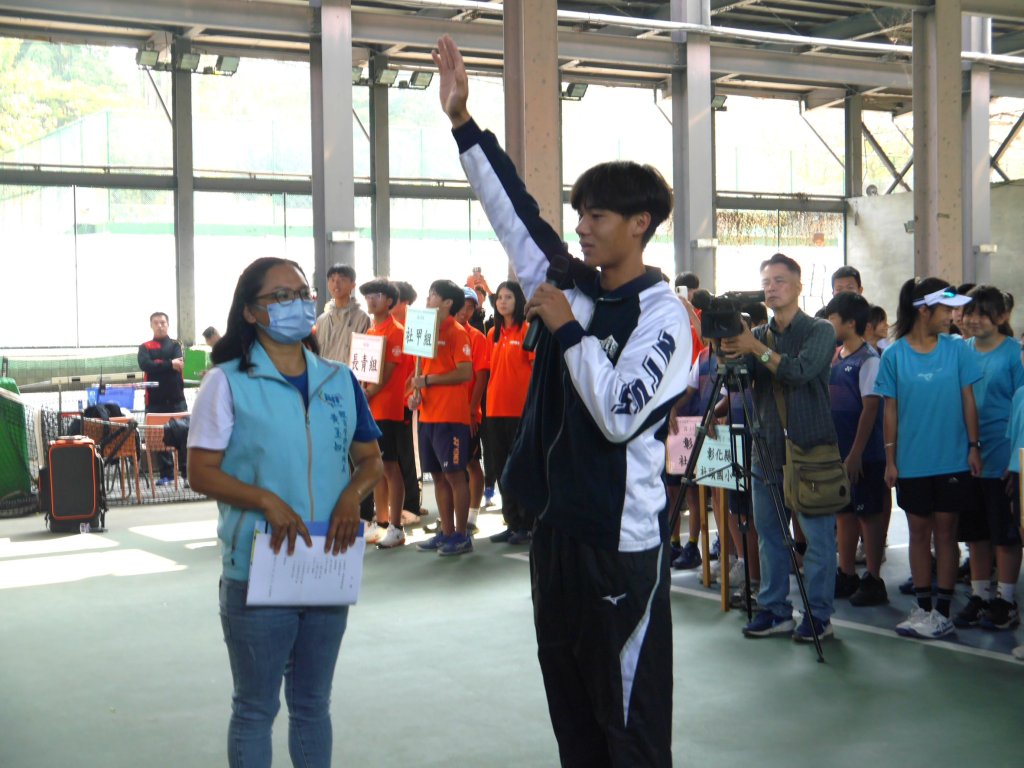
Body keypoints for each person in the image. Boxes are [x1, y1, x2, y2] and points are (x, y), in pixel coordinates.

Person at [435, 35, 688, 766]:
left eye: (597, 216)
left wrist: (569, 332)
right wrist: (462, 122)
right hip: (555, 536)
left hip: (619, 546)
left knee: (627, 727)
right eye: (579, 214)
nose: (581, 227)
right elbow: (512, 211)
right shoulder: (567, 285)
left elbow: (619, 414)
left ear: (639, 224)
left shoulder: (664, 317)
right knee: (573, 718)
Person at [186, 256, 383, 768]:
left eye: (301, 293)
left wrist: (351, 496)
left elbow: (371, 460)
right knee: (255, 709)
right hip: (260, 565)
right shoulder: (226, 382)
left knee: (313, 705)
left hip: (327, 559)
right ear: (251, 312)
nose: (297, 303)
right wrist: (265, 500)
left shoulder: (338, 379)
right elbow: (200, 472)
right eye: (280, 296)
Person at [719, 252, 841, 642]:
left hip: (811, 449)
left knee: (818, 539)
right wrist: (730, 353)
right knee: (770, 535)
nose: (771, 288)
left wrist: (753, 348)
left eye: (779, 281)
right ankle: (775, 609)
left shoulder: (820, 330)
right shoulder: (757, 335)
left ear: (798, 286)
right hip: (767, 448)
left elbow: (798, 371)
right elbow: (740, 383)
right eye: (765, 283)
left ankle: (818, 615)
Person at [873, 278, 982, 640]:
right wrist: (891, 459)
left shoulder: (958, 349)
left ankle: (943, 613)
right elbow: (890, 411)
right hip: (912, 462)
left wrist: (973, 446)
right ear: (923, 310)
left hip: (952, 460)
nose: (953, 316)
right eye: (947, 309)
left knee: (946, 534)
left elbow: (968, 399)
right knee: (919, 534)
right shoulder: (894, 355)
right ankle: (922, 608)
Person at [954, 286, 1024, 630]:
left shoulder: (1014, 355)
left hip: (1003, 459)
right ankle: (980, 595)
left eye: (983, 313)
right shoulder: (960, 351)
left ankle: (1005, 601)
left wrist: (1017, 463)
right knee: (976, 532)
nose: (974, 319)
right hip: (968, 458)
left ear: (1001, 316)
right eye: (969, 312)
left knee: (1005, 534)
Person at [823, 292, 888, 606]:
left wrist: (856, 454)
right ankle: (846, 572)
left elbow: (870, 409)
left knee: (868, 516)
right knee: (844, 514)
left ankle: (873, 578)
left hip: (864, 456)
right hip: (838, 453)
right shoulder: (835, 355)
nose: (828, 325)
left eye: (832, 319)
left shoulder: (869, 359)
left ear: (850, 322)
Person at [409, 278, 474, 556]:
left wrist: (428, 381)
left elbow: (465, 372)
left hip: (451, 417)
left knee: (455, 475)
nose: (428, 299)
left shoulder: (457, 332)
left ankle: (462, 535)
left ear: (448, 302)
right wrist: (414, 395)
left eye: (433, 295)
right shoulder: (423, 328)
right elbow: (418, 372)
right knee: (437, 476)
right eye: (429, 294)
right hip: (427, 416)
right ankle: (446, 532)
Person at [359, 278, 412, 549]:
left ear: (390, 300)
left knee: (390, 467)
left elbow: (387, 372)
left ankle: (396, 527)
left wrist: (366, 393)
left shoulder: (396, 331)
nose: (371, 299)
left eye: (377, 295)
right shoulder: (370, 331)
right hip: (371, 407)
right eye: (368, 295)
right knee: (378, 468)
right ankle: (381, 523)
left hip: (388, 408)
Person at [484, 280, 535, 544]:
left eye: (508, 297)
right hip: (494, 410)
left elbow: (536, 371)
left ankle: (527, 524)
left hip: (520, 411)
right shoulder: (492, 333)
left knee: (521, 468)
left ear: (518, 300)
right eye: (499, 298)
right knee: (501, 468)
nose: (502, 302)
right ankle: (512, 522)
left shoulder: (527, 330)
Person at [455, 286, 491, 532]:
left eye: (470, 307)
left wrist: (471, 411)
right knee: (449, 469)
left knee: (471, 463)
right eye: (462, 305)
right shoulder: (442, 332)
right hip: (444, 413)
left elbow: (481, 377)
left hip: (467, 414)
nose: (465, 311)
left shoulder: (476, 336)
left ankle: (472, 516)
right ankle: (454, 517)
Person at [138, 311, 187, 484]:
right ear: (151, 325)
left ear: (168, 324)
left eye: (163, 322)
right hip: (155, 402)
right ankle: (167, 474)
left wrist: (158, 364)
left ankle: (186, 474)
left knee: (184, 436)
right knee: (159, 437)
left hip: (177, 400)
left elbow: (178, 364)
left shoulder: (176, 344)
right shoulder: (144, 347)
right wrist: (169, 364)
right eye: (156, 323)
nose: (160, 325)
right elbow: (145, 365)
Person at [315, 264, 370, 365]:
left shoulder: (362, 319)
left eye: (342, 280)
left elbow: (364, 357)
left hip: (347, 374)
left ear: (353, 285)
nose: (336, 283)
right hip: (323, 374)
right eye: (332, 280)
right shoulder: (321, 320)